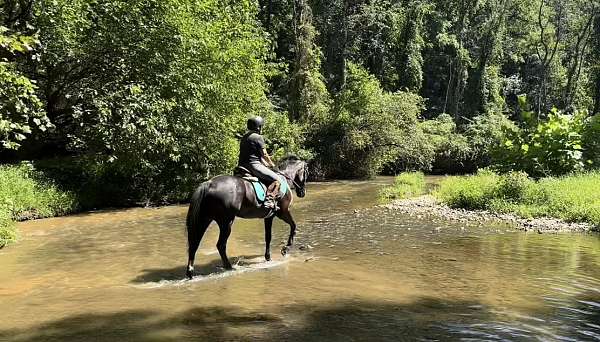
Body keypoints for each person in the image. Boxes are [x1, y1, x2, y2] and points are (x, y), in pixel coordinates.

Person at [238, 116, 280, 209]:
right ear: (258, 127)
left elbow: (255, 154)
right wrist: (272, 165)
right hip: (253, 165)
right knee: (277, 180)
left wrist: (265, 164)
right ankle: (269, 200)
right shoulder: (258, 137)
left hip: (241, 165)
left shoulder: (244, 137)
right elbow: (264, 154)